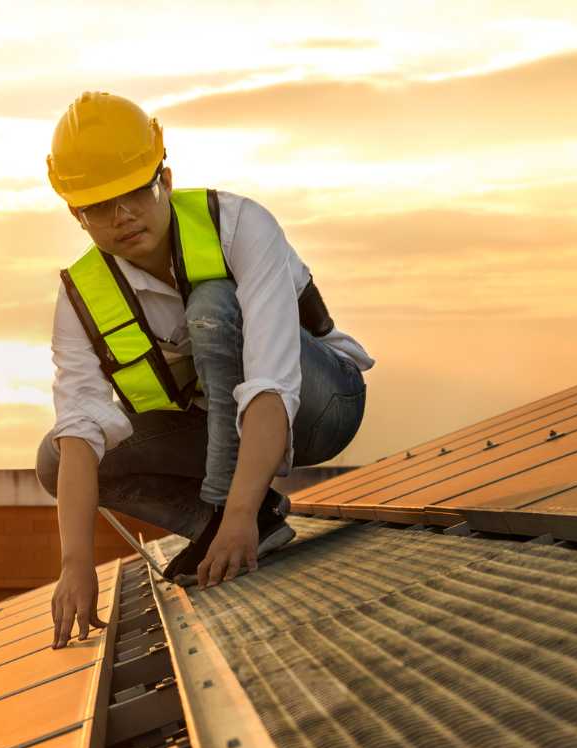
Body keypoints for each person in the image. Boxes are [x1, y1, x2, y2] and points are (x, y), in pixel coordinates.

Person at [35, 91, 376, 647]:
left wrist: (233, 509)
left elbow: (272, 384)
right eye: (99, 206)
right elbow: (79, 430)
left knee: (213, 306)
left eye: (136, 192)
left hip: (319, 406)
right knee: (56, 458)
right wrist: (75, 563)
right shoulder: (80, 298)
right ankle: (248, 523)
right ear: (78, 216)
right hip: (220, 430)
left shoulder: (238, 226)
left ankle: (230, 513)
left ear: (165, 180)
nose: (122, 216)